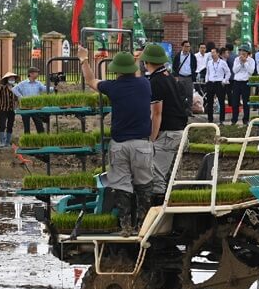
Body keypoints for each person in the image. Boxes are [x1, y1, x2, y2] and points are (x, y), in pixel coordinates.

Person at [77, 47, 153, 237]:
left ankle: (125, 227)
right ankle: (143, 225)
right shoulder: (145, 84)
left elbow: (91, 81)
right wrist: (134, 59)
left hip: (119, 144)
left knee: (121, 185)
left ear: (116, 70)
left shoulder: (113, 87)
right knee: (144, 185)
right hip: (142, 145)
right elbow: (135, 73)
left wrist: (84, 59)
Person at [142, 44, 188, 205]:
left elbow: (156, 113)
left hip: (168, 133)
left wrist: (152, 138)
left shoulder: (155, 81)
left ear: (147, 61)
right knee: (170, 176)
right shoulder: (168, 76)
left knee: (156, 176)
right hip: (180, 131)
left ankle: (157, 217)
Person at [13, 67, 48, 134]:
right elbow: (14, 89)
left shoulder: (38, 83)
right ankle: (27, 142)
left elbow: (44, 89)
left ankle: (41, 141)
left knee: (39, 125)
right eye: (36, 72)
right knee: (26, 127)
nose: (38, 74)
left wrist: (53, 88)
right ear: (31, 74)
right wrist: (20, 97)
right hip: (25, 108)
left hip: (36, 107)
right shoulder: (23, 83)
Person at [205, 47, 231, 124]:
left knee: (221, 102)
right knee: (209, 102)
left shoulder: (223, 62)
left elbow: (228, 73)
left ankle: (221, 120)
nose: (212, 54)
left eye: (214, 52)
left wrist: (224, 80)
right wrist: (207, 81)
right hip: (210, 82)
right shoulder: (209, 62)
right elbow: (208, 72)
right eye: (211, 53)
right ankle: (210, 119)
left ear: (218, 54)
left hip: (219, 83)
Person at [231, 45, 255, 125]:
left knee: (246, 102)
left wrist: (245, 63)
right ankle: (234, 119)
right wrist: (241, 63)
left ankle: (246, 120)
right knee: (235, 102)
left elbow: (251, 71)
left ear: (247, 53)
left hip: (246, 82)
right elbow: (234, 70)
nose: (241, 53)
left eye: (243, 52)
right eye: (240, 51)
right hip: (237, 82)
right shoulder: (236, 60)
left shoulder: (251, 60)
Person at [0, 72, 18, 147]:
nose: (12, 79)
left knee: (10, 125)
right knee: (2, 125)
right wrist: (1, 105)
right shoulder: (1, 89)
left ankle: (7, 142)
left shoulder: (16, 88)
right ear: (7, 79)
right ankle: (1, 142)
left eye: (13, 78)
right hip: (3, 109)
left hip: (12, 110)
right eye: (10, 78)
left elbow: (17, 99)